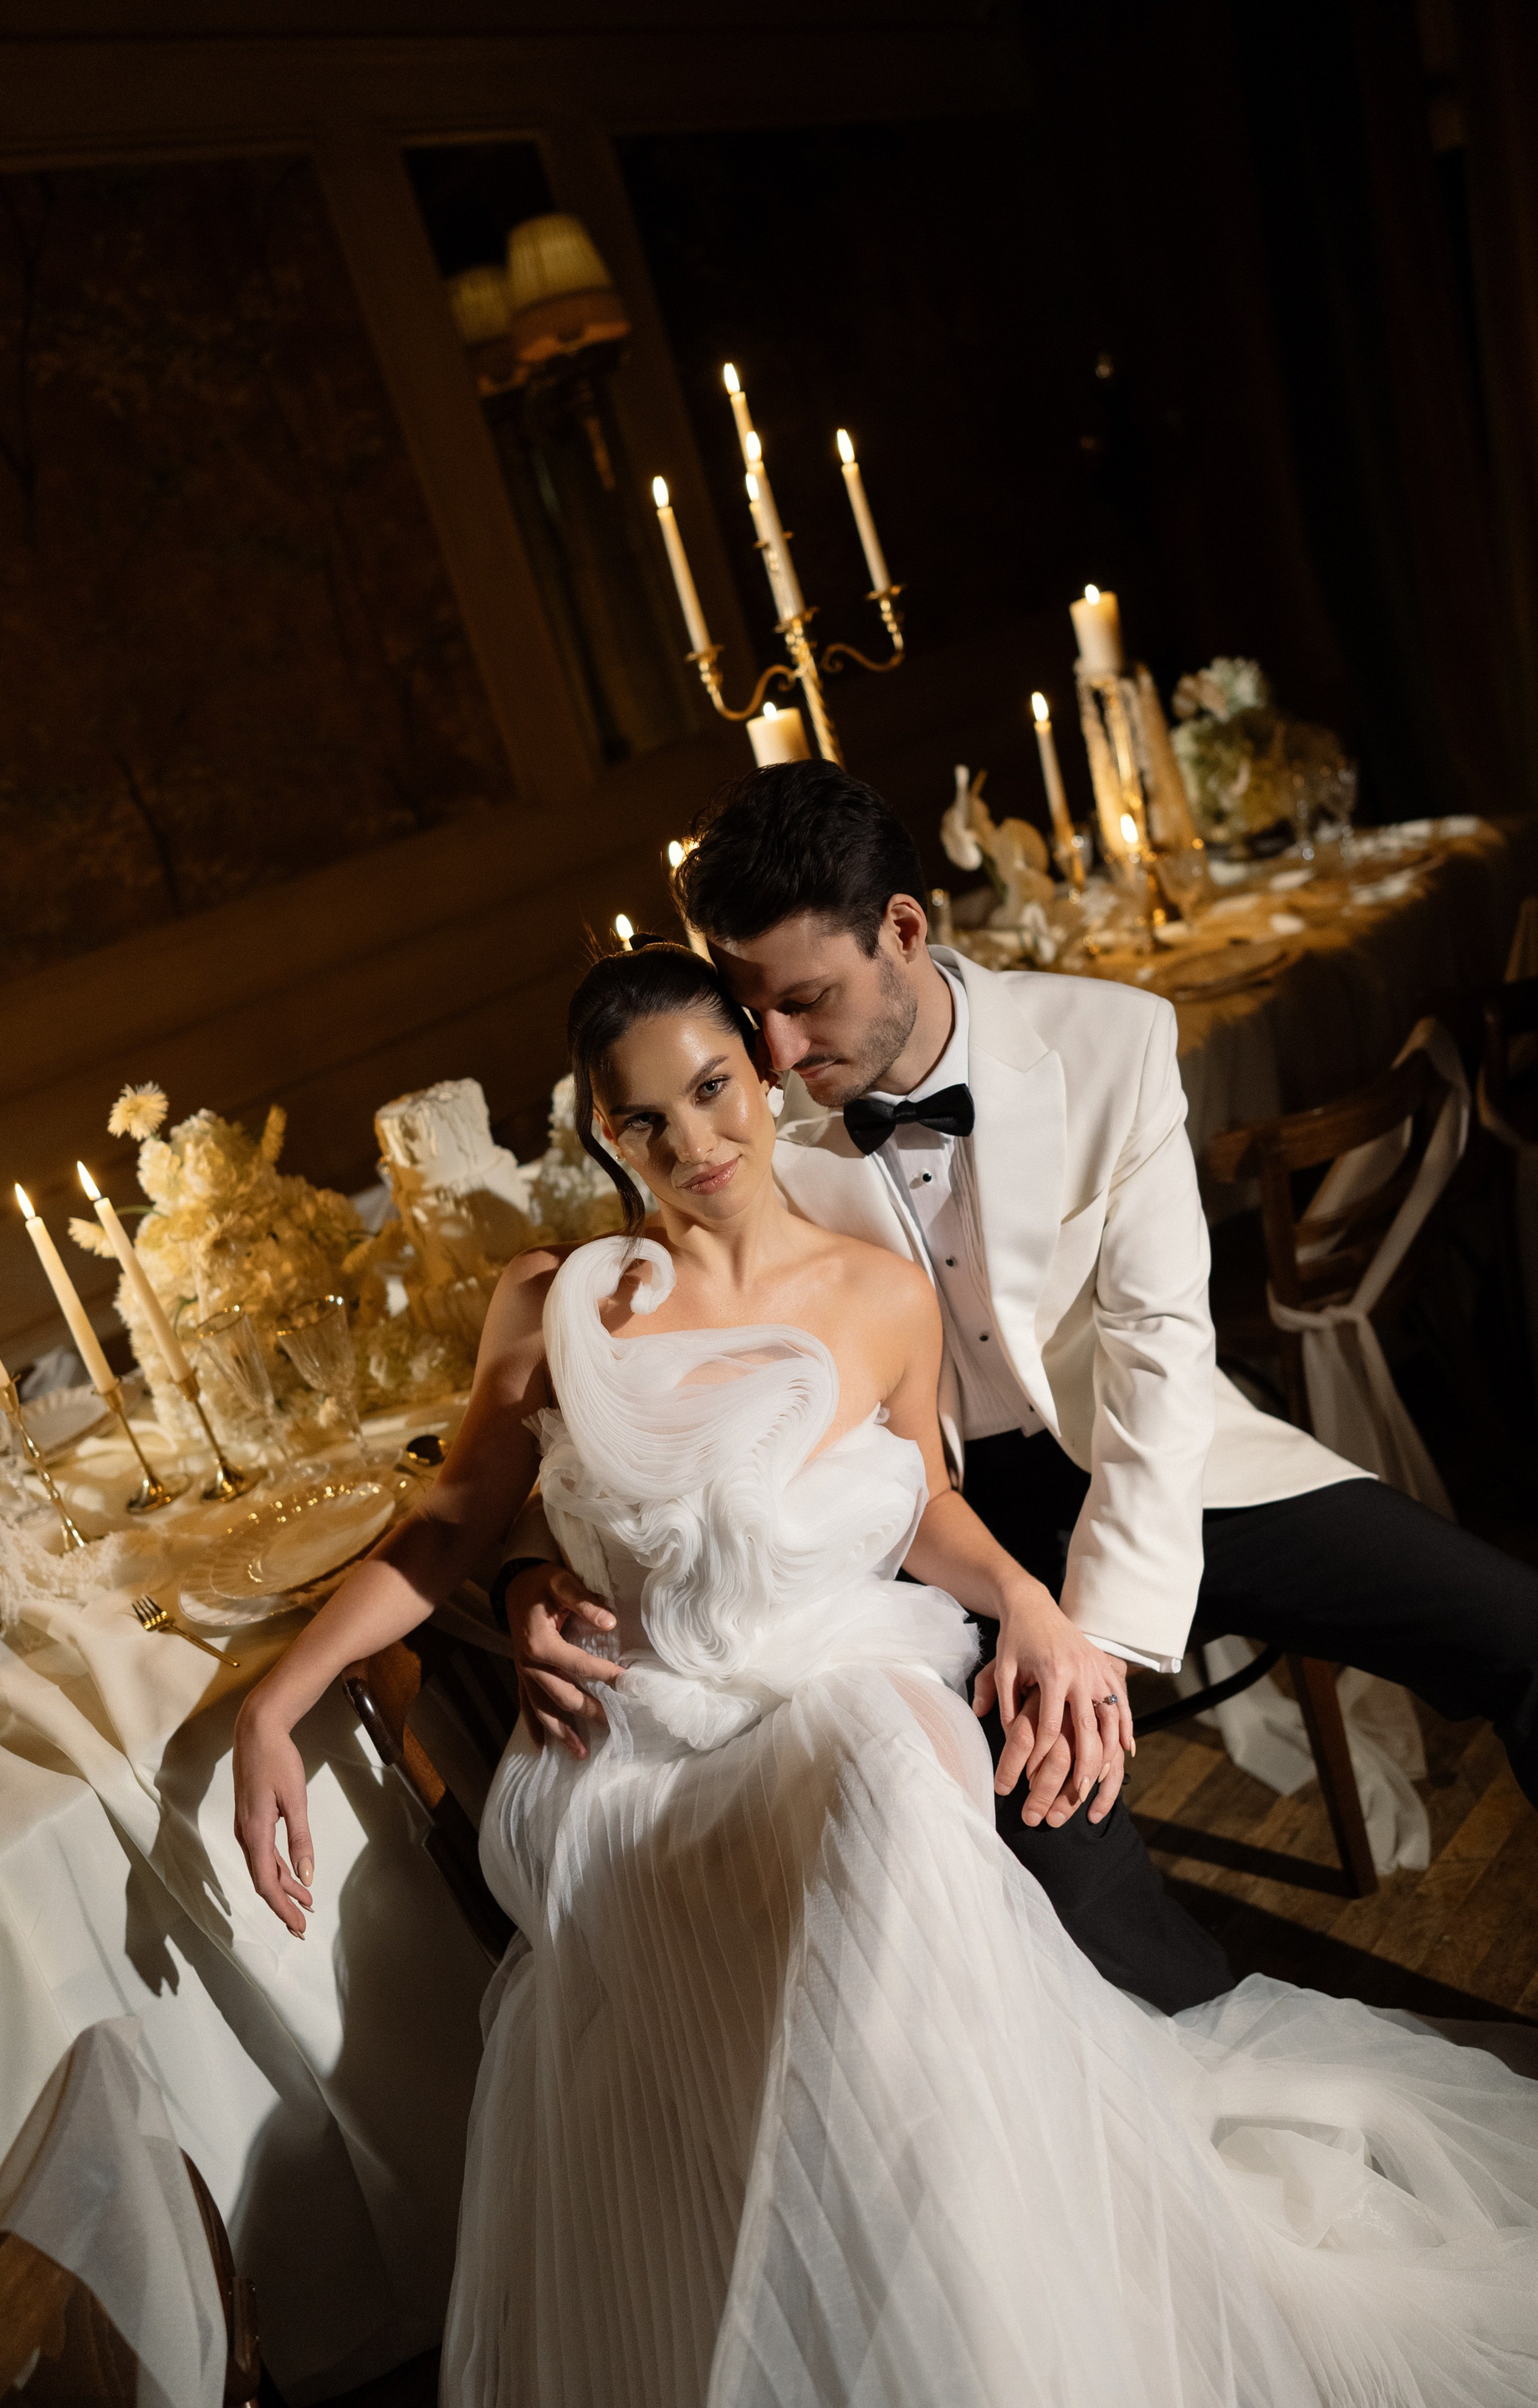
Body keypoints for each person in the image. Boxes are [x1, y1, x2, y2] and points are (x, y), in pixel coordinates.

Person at [232, 941, 1538, 2406]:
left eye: (713, 1088)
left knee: (887, 1782)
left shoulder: (876, 1292)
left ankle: (971, 2334)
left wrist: (1030, 1601)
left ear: (759, 1067)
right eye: (645, 1118)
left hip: (844, 1678)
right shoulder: (556, 1305)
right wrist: (280, 1700)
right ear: (602, 1129)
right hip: (640, 1749)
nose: (695, 1141)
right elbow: (451, 1521)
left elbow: (923, 1504)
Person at [506, 762, 1538, 2016]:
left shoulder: (1113, 1042)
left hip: (1149, 1463)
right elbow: (621, 1379)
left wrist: (1088, 1642)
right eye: (752, 1008)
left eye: (808, 1002)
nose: (774, 1052)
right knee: (1075, 1884)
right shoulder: (744, 1118)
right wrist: (531, 1571)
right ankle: (1211, 2092)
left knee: (1515, 1630)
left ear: (902, 931)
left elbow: (1160, 1354)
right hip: (928, 1535)